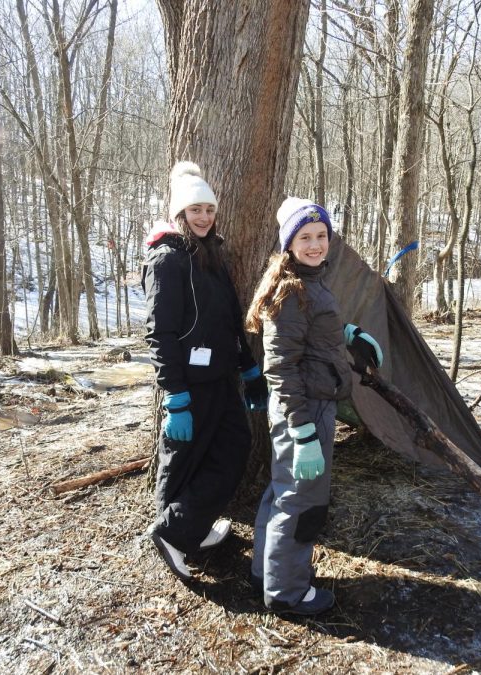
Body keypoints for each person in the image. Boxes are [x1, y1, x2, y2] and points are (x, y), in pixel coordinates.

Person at [244, 198, 384, 615]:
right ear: (289, 243)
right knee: (302, 504)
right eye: (305, 237)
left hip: (309, 408)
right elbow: (280, 369)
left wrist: (347, 332)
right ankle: (286, 593)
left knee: (283, 494)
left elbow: (310, 330)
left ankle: (266, 572)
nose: (315, 244)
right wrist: (303, 433)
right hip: (302, 413)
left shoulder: (309, 280)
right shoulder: (290, 291)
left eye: (321, 235)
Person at [141, 161, 268, 581]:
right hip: (189, 386)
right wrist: (175, 396)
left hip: (220, 378)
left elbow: (230, 320)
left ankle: (185, 528)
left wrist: (248, 369)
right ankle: (173, 534)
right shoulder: (166, 260)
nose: (203, 217)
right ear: (179, 212)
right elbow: (160, 333)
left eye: (209, 209)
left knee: (232, 450)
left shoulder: (212, 255)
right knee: (180, 461)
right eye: (195, 209)